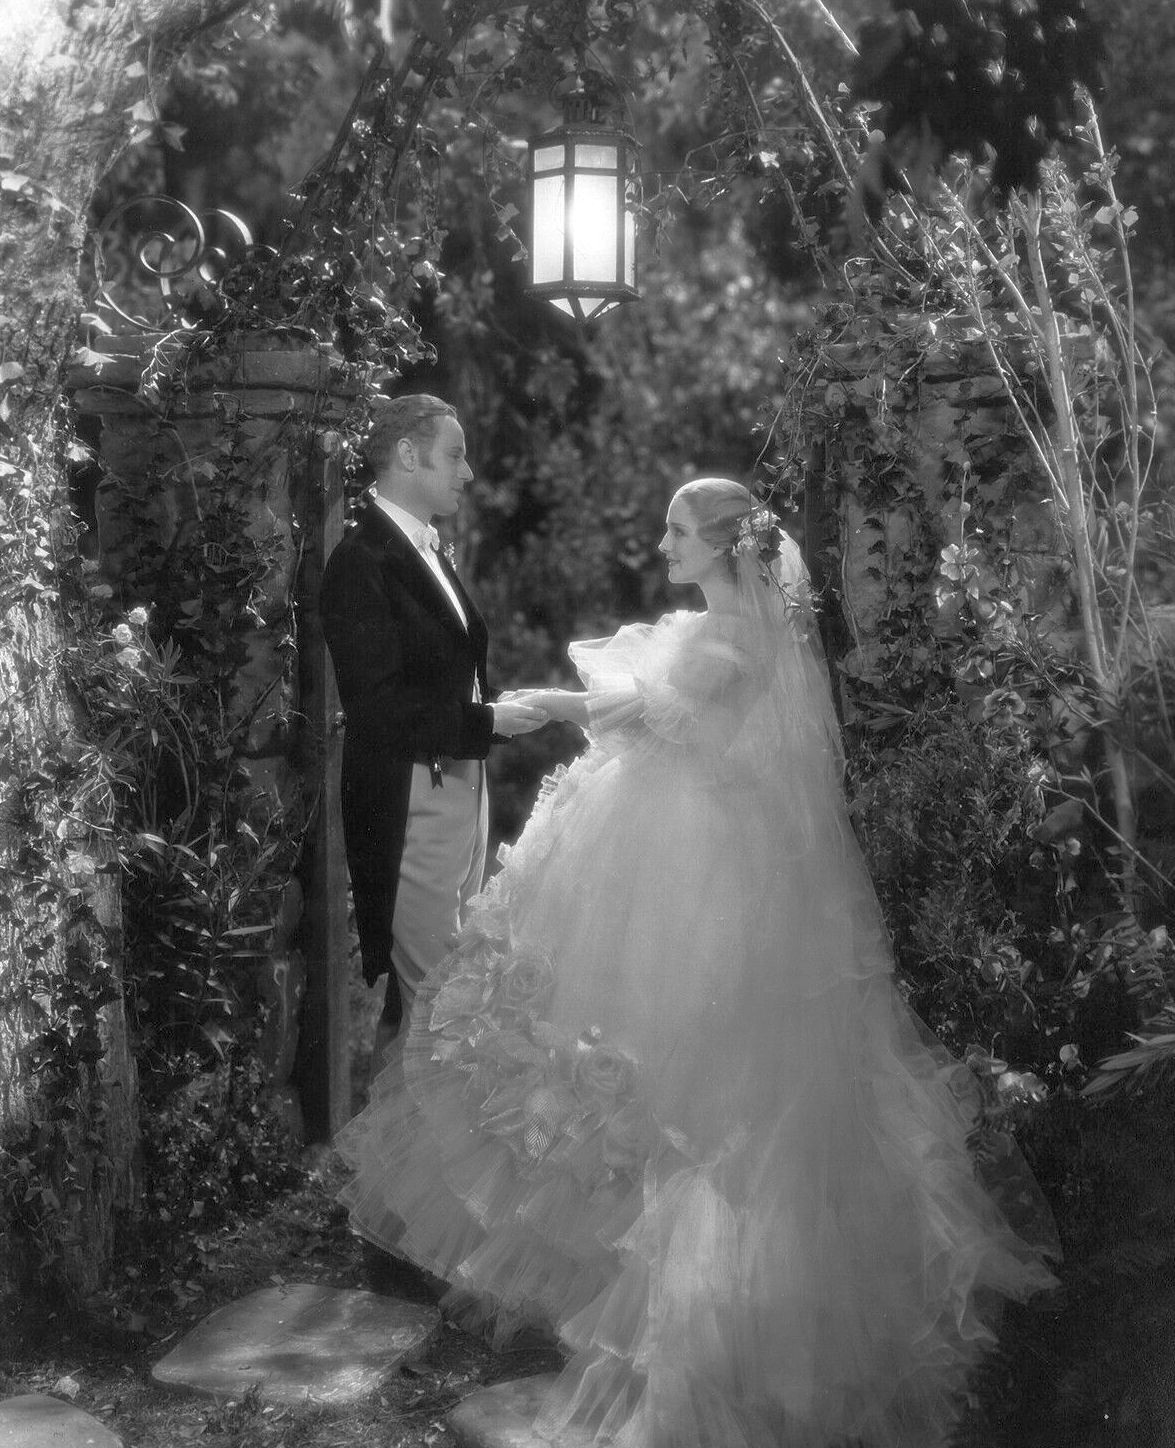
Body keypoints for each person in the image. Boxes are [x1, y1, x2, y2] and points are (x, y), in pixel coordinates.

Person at [336, 478, 1059, 1448]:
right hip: (649, 835)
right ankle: (589, 1262)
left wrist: (560, 704)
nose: (664, 542)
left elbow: (668, 716)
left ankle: (691, 1287)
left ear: (723, 546)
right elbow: (652, 699)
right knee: (593, 1033)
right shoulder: (703, 624)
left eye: (678, 529)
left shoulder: (741, 637)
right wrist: (585, 703)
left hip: (699, 859)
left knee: (676, 1063)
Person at [320, 394, 546, 1080]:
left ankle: (386, 1143)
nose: (468, 472)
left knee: (431, 1000)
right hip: (412, 796)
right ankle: (438, 1147)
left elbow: (441, 672)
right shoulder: (361, 561)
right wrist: (487, 722)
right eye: (454, 456)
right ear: (406, 455)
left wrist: (492, 712)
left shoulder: (424, 549)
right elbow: (377, 709)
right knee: (440, 1007)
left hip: (459, 787)